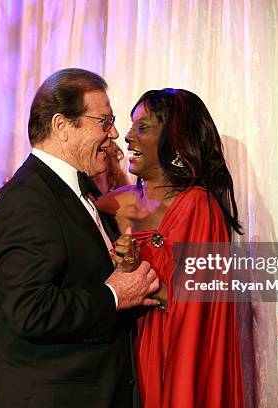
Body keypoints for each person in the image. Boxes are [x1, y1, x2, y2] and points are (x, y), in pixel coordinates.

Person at [0, 68, 159, 408]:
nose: (115, 133)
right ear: (62, 126)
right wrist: (113, 295)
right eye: (104, 121)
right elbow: (30, 310)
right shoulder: (27, 198)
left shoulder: (76, 194)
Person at [96, 88, 245, 407]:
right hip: (115, 356)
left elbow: (197, 307)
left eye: (143, 127)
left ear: (176, 139)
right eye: (131, 126)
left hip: (169, 358)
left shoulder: (198, 208)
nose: (127, 137)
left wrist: (137, 271)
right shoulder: (110, 204)